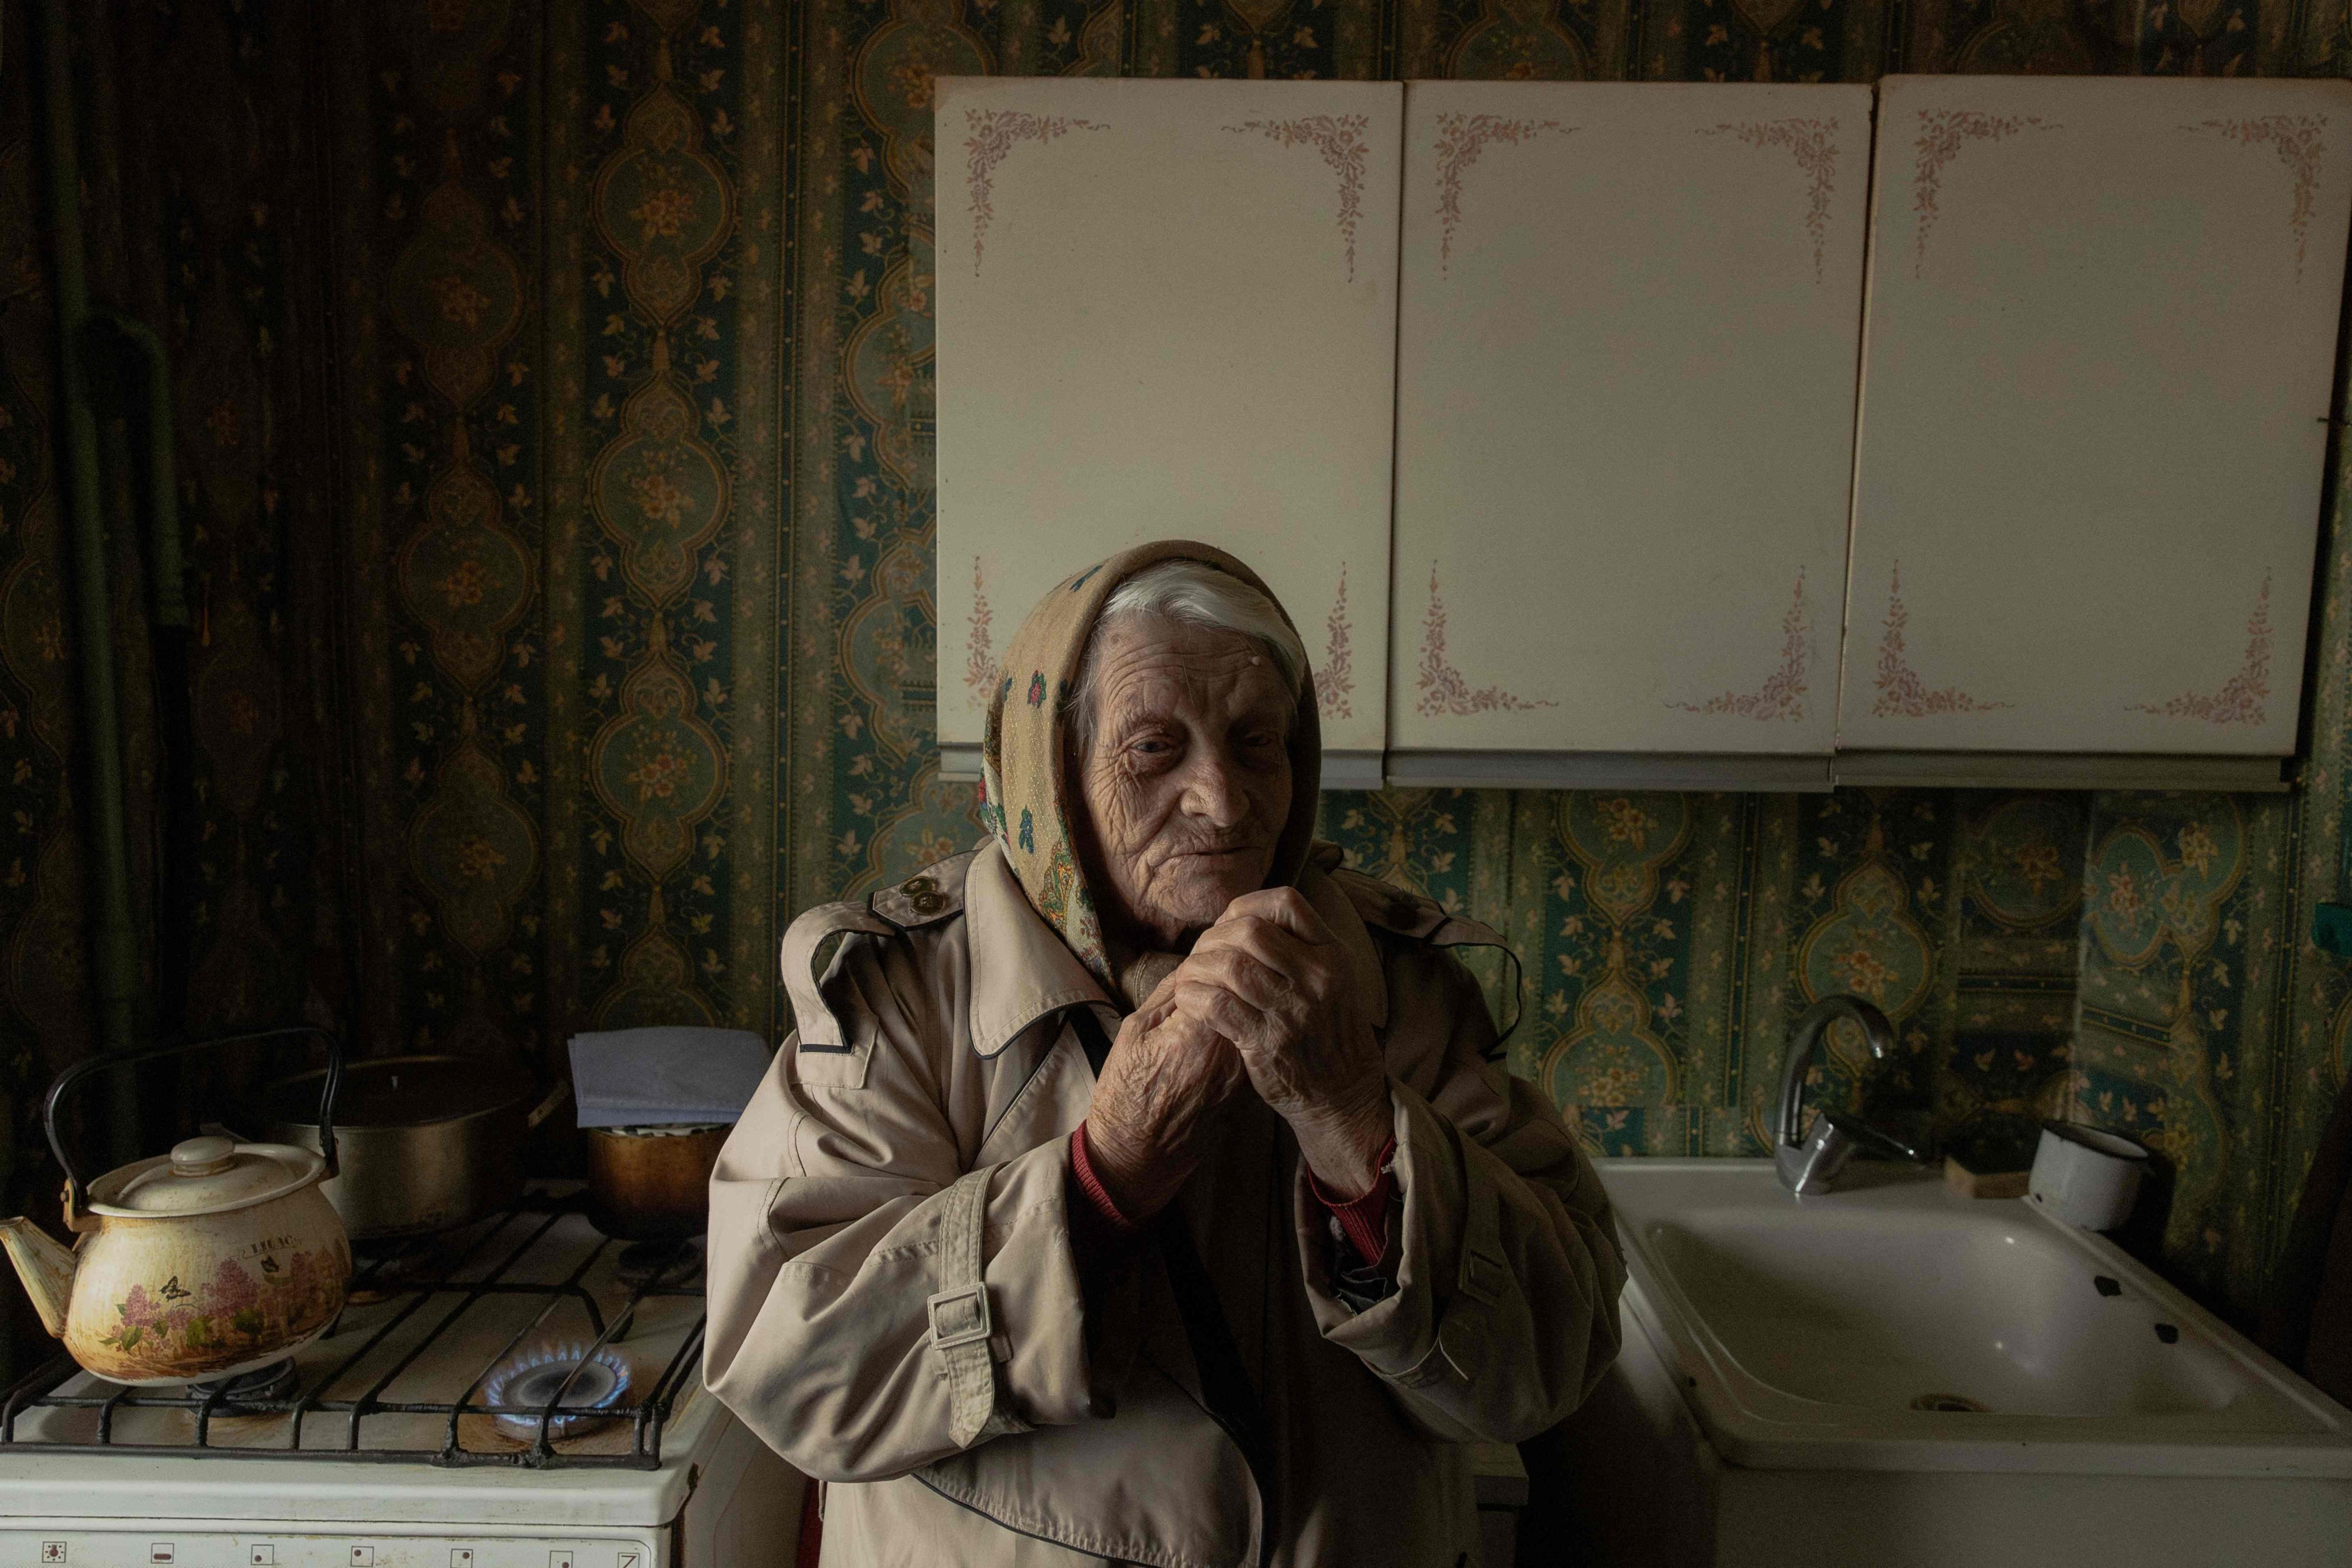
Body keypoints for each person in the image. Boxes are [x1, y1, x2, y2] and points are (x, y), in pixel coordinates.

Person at [706, 541, 1623, 1567]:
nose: (1225, 804)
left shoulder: (1399, 986)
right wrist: (1102, 1176)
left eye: (1256, 743)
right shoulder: (903, 995)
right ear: (1053, 771)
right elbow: (796, 1370)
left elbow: (1558, 1354)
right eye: (1155, 749)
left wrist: (1358, 1123)